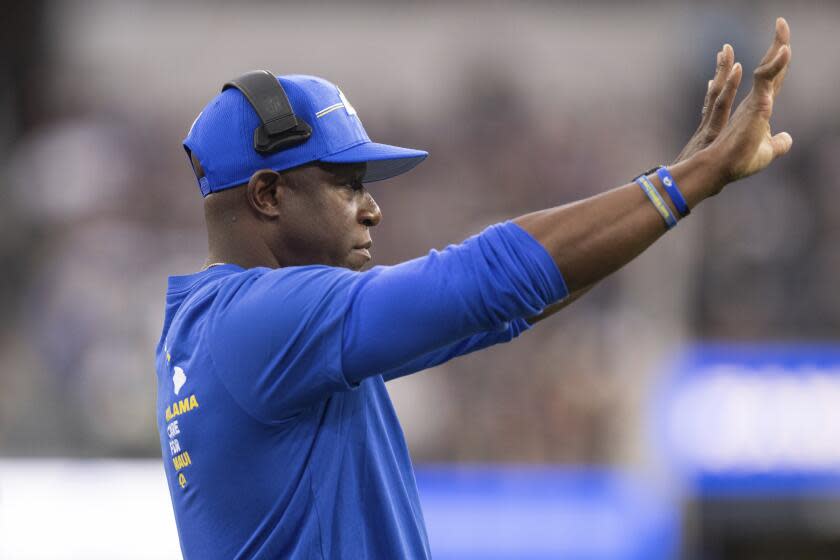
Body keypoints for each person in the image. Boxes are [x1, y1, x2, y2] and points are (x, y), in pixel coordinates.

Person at [155, 19, 792, 559]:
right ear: (268, 194)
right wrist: (689, 182)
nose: (372, 209)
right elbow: (482, 281)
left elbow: (501, 309)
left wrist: (665, 192)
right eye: (347, 184)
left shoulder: (220, 331)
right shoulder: (259, 322)